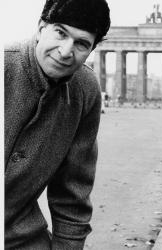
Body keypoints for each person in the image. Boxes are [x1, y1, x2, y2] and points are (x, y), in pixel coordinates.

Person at [4, 0, 110, 249]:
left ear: (92, 50)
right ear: (41, 28)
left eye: (82, 43)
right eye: (61, 33)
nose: (65, 51)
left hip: (25, 239)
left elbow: (72, 192)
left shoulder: (85, 90)